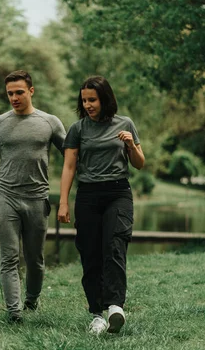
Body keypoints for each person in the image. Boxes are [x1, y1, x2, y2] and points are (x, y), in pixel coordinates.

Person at [0, 70, 66, 323]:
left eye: (19, 92)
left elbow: (72, 154)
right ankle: (14, 312)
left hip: (38, 199)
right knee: (9, 257)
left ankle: (32, 300)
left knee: (35, 259)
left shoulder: (50, 122)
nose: (14, 97)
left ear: (31, 91)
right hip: (6, 197)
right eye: (10, 94)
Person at [58, 75, 145, 334]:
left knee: (115, 246)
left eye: (92, 99)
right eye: (84, 100)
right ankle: (97, 315)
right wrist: (63, 202)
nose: (87, 104)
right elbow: (69, 166)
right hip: (87, 195)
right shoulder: (78, 129)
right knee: (91, 254)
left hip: (118, 192)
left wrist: (130, 145)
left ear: (104, 98)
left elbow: (140, 163)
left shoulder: (125, 124)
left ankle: (115, 307)